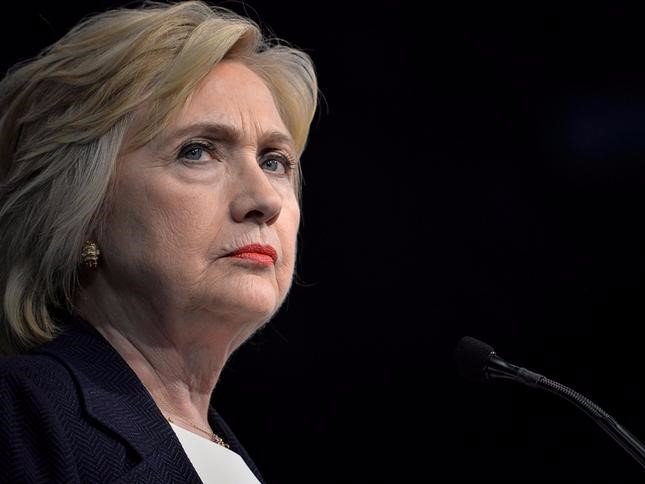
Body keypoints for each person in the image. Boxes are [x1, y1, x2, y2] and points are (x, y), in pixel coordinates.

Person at [0, 0, 318, 482]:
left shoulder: (222, 451)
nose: (264, 200)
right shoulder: (22, 418)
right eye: (198, 152)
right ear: (84, 208)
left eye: (274, 161)